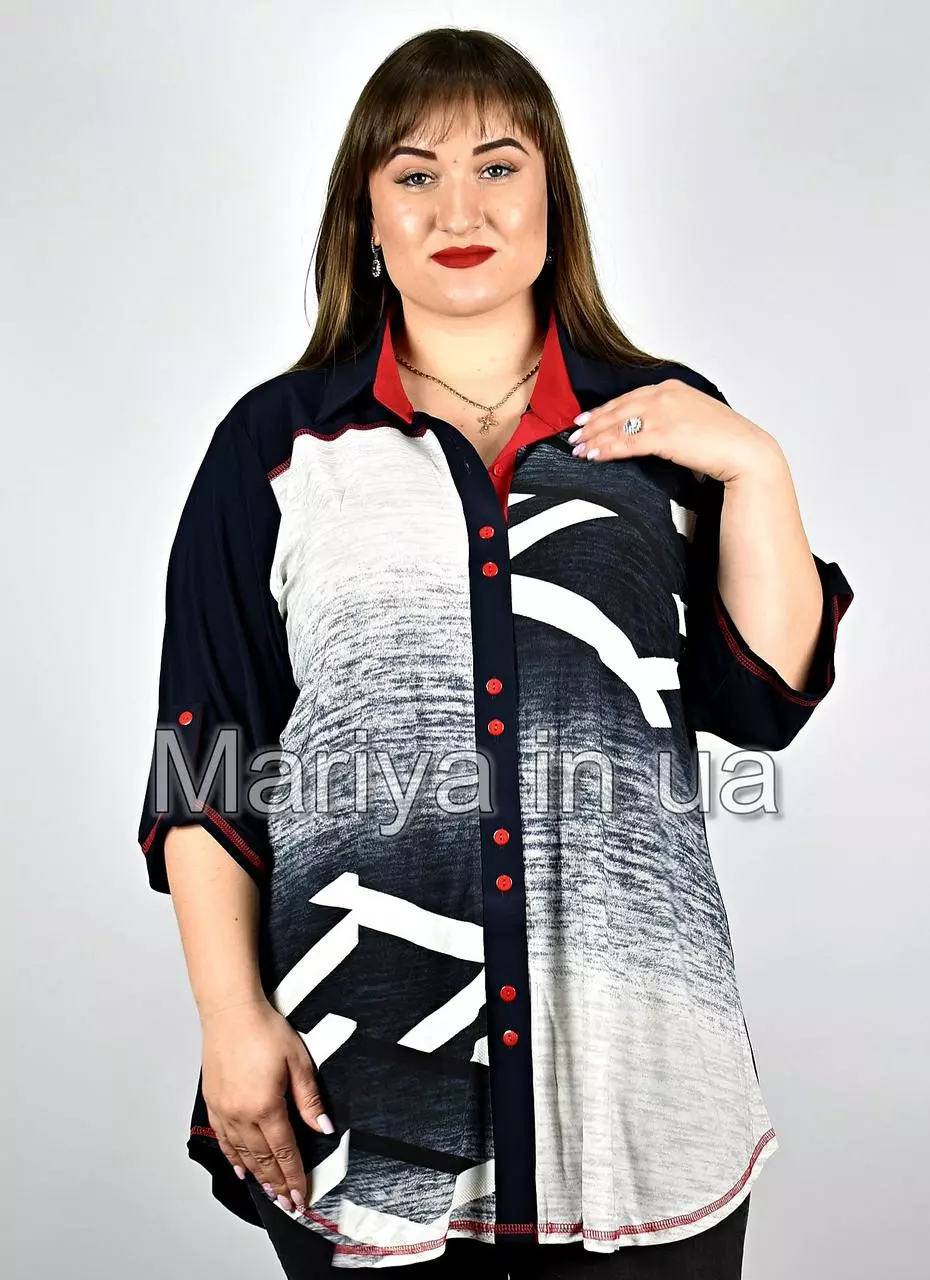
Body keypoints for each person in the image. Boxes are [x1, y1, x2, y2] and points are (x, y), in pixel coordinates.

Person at [137, 25, 853, 1277]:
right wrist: (229, 1013)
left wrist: (756, 463)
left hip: (638, 1084)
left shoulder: (660, 421)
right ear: (365, 215)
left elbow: (763, 697)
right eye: (414, 174)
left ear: (552, 200)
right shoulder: (276, 445)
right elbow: (208, 751)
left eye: (498, 167)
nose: (458, 208)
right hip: (365, 1078)